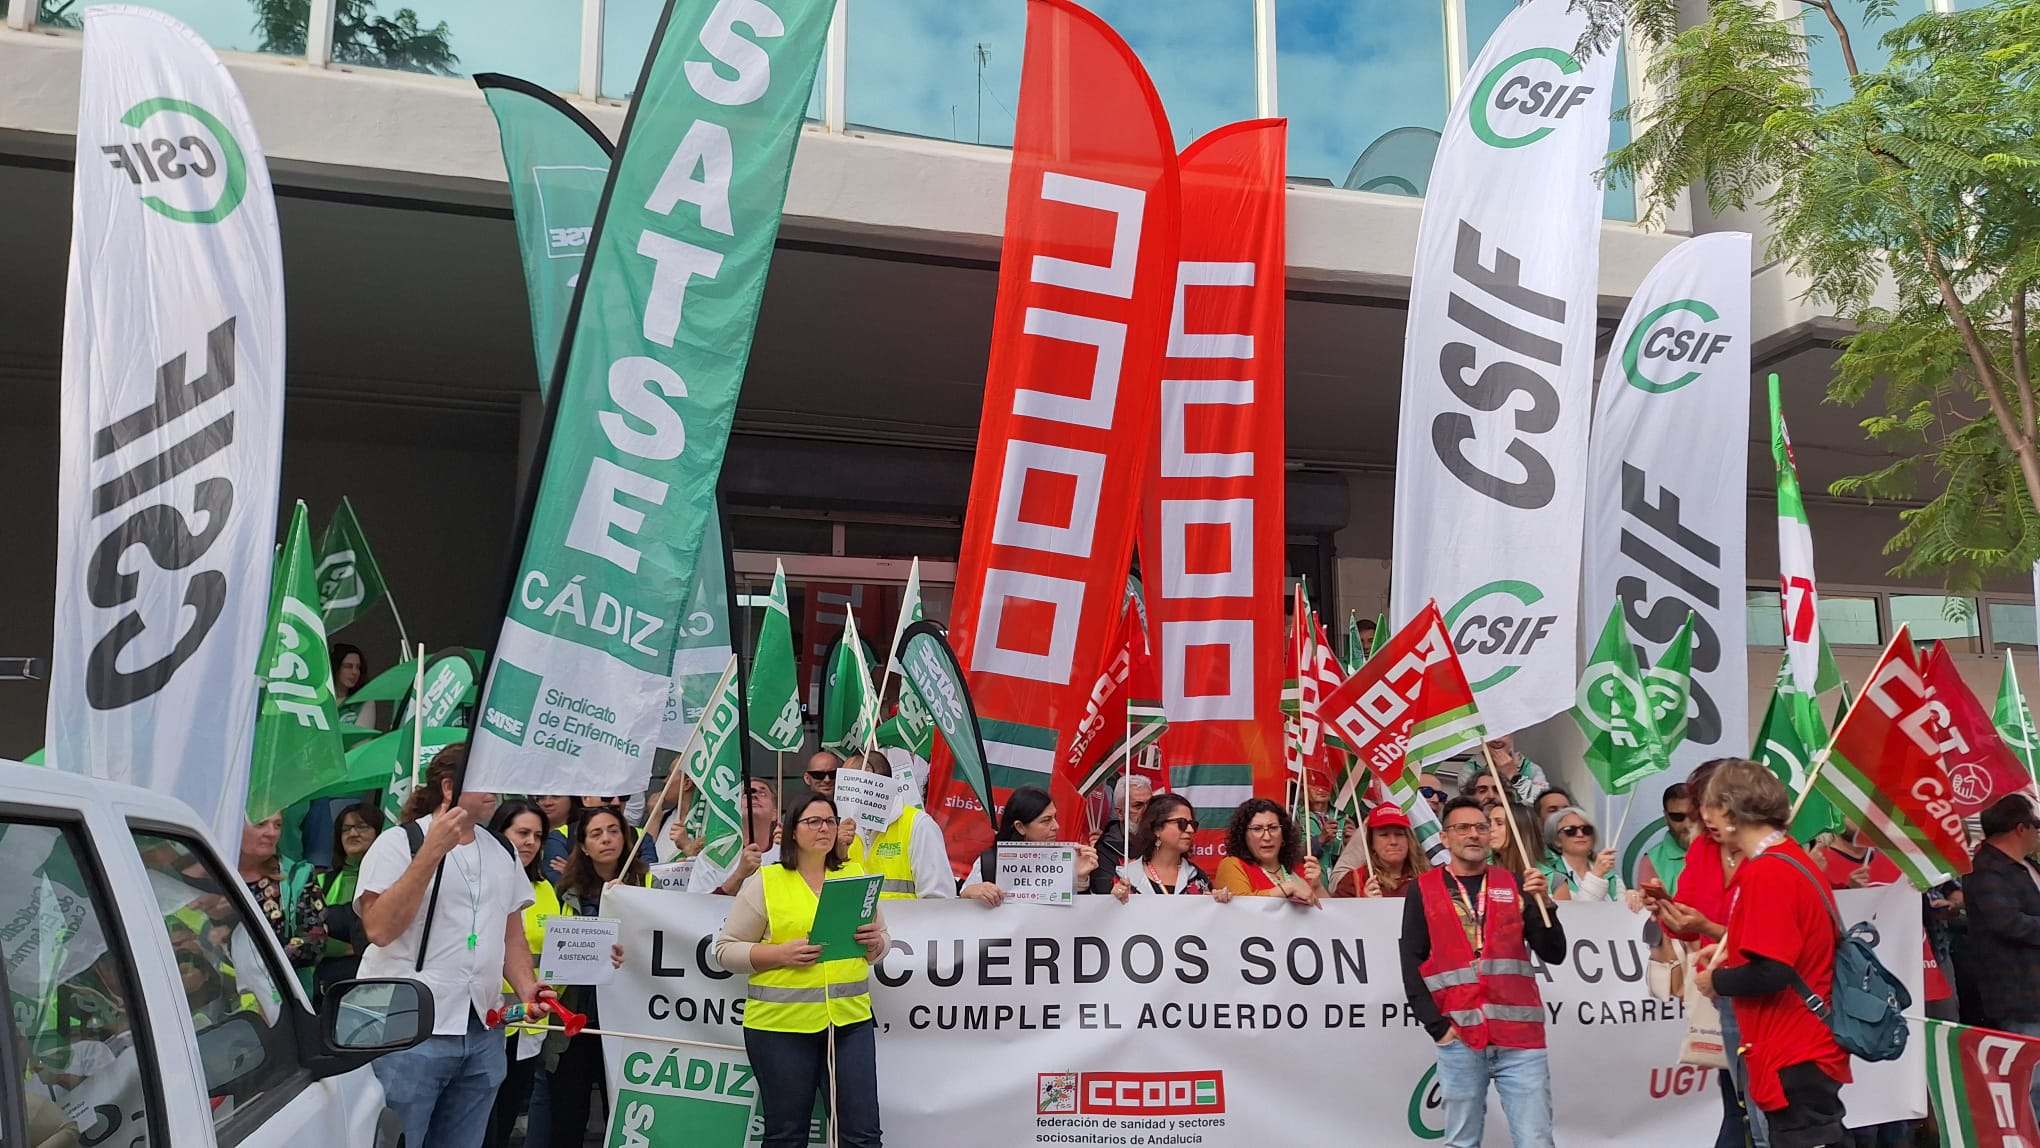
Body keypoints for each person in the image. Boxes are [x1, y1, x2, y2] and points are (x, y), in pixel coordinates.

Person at [355, 746, 543, 1148]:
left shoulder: (503, 850)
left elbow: (512, 935)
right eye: (484, 782)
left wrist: (527, 988)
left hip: (482, 1028)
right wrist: (430, 853)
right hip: (408, 1029)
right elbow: (379, 929)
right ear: (448, 788)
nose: (496, 792)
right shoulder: (398, 843)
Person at [714, 793, 889, 1148]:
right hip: (780, 1028)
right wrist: (779, 954)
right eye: (813, 821)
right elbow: (724, 951)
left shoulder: (855, 875)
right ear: (792, 831)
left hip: (849, 1024)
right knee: (787, 1137)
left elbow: (880, 942)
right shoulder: (767, 882)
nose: (824, 828)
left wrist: (876, 943)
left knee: (862, 1136)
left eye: (830, 820)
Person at [1691, 759, 1850, 1148]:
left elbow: (1773, 971)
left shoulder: (1770, 871)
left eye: (1709, 805)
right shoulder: (1786, 859)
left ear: (1729, 809)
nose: (1704, 816)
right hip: (1799, 1045)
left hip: (1792, 1046)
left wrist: (1717, 979)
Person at [1401, 796, 1563, 1148]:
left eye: (1481, 827)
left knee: (1536, 1140)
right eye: (1462, 828)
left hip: (1520, 1040)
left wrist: (1546, 904)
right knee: (1462, 1142)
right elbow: (1411, 961)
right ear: (1445, 837)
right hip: (1459, 1038)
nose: (1473, 834)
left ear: (1490, 836)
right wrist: (1438, 1029)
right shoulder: (1423, 889)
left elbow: (1555, 952)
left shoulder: (1518, 884)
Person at [1647, 758, 1770, 1148]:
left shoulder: (1770, 854)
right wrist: (1667, 910)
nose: (1697, 815)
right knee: (1740, 1100)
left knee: (1769, 1106)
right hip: (1725, 992)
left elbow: (1767, 939)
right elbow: (1685, 912)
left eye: (1705, 801)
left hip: (1768, 992)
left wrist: (1704, 928)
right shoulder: (1702, 848)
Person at [545, 806, 647, 1147]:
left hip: (628, 1022)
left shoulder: (649, 885)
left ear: (626, 837)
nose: (607, 839)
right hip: (575, 1021)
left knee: (623, 1115)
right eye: (596, 834)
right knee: (568, 1116)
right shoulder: (564, 892)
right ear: (584, 846)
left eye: (614, 830)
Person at [483, 801, 558, 1148]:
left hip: (528, 1027)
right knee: (481, 1124)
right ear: (499, 834)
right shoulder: (481, 886)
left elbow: (565, 947)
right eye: (522, 833)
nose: (530, 842)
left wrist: (604, 955)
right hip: (485, 1022)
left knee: (505, 1120)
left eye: (538, 836)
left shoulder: (544, 889)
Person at [1963, 792, 2040, 1119]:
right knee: (2029, 1082)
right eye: (2037, 825)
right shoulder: (1985, 869)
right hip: (2019, 992)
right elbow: (2006, 922)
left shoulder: (2028, 867)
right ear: (2020, 828)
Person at [959, 786, 1100, 905]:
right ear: (1020, 827)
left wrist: (1080, 879)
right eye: (1046, 820)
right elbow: (957, 917)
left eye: (1055, 817)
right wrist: (969, 893)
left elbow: (1082, 921)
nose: (1056, 826)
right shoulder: (989, 863)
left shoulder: (1064, 863)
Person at [841, 753, 954, 900]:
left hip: (905, 923)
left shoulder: (919, 825)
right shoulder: (844, 827)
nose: (840, 789)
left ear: (866, 775)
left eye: (845, 780)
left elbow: (939, 900)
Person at [239, 811, 326, 995]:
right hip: (217, 998)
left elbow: (316, 941)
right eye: (260, 824)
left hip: (280, 999)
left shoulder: (297, 876)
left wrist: (263, 958)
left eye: (277, 825)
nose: (272, 832)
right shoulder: (207, 869)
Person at [1110, 793, 1230, 899]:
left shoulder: (1198, 877)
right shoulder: (1126, 877)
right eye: (1181, 823)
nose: (1190, 830)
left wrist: (1218, 903)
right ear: (1157, 828)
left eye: (1192, 824)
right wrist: (1114, 900)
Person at [316, 803, 378, 996]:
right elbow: (306, 934)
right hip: (330, 984)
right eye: (345, 829)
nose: (353, 833)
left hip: (376, 985)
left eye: (361, 826)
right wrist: (349, 949)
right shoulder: (320, 882)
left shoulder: (392, 881)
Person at [1212, 798, 1323, 905]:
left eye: (1273, 828)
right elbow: (1241, 906)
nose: (1267, 837)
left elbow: (1329, 916)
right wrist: (1287, 888)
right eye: (1257, 829)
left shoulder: (1301, 869)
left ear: (1283, 834)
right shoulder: (1232, 865)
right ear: (1243, 836)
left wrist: (1317, 886)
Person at [691, 779, 785, 895]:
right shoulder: (712, 857)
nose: (753, 795)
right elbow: (698, 908)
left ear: (775, 814)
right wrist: (739, 875)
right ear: (735, 810)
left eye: (762, 793)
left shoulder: (788, 855)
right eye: (746, 793)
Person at [1332, 804, 1429, 898]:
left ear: (1409, 839)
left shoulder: (1429, 878)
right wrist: (1363, 905)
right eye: (1384, 835)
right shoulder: (1354, 880)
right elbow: (1336, 913)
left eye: (1399, 834)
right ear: (1371, 843)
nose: (1393, 842)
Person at [1540, 807, 1621, 902]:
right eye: (1570, 830)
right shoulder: (1550, 877)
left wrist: (1633, 898)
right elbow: (1579, 913)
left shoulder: (1611, 876)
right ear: (1557, 840)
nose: (1580, 834)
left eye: (1586, 830)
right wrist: (1596, 875)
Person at [1090, 774, 1153, 894]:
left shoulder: (1165, 839)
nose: (1147, 811)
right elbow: (1102, 891)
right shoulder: (1105, 847)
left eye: (1150, 804)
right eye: (1137, 806)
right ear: (1120, 813)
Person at [1637, 784, 1698, 896]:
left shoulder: (1722, 852)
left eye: (1694, 816)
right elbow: (1649, 909)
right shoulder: (1652, 860)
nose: (1687, 824)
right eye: (1677, 817)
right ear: (1666, 816)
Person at [1486, 800, 1543, 882]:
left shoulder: (1551, 878)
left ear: (1520, 829)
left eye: (1499, 823)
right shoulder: (1482, 872)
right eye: (1489, 823)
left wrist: (1544, 895)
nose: (1490, 829)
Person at [1484, 735, 1549, 804]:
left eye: (1503, 734)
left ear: (1511, 736)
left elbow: (1544, 802)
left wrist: (1514, 776)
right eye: (1491, 734)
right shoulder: (1471, 768)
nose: (1496, 740)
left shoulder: (1529, 768)